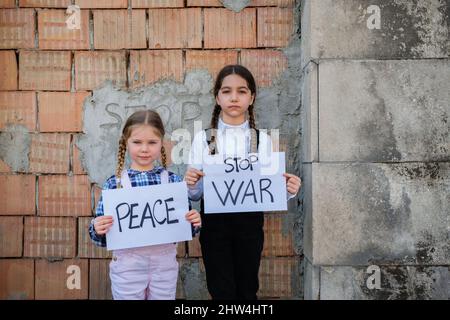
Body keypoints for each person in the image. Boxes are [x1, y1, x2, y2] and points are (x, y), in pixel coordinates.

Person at [185, 64, 302, 300]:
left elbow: (268, 190)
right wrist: (191, 182)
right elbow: (195, 195)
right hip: (214, 225)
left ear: (252, 97)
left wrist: (287, 190)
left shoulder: (262, 140)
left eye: (242, 91)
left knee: (248, 288)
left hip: (249, 225)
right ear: (217, 97)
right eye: (227, 91)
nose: (234, 97)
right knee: (221, 290)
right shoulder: (203, 139)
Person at [89, 110, 201, 300]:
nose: (144, 149)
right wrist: (97, 228)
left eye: (152, 143)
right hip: (127, 268)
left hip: (164, 267)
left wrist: (194, 221)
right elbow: (101, 237)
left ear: (161, 144)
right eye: (137, 142)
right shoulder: (114, 184)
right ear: (126, 143)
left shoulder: (173, 182)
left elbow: (185, 229)